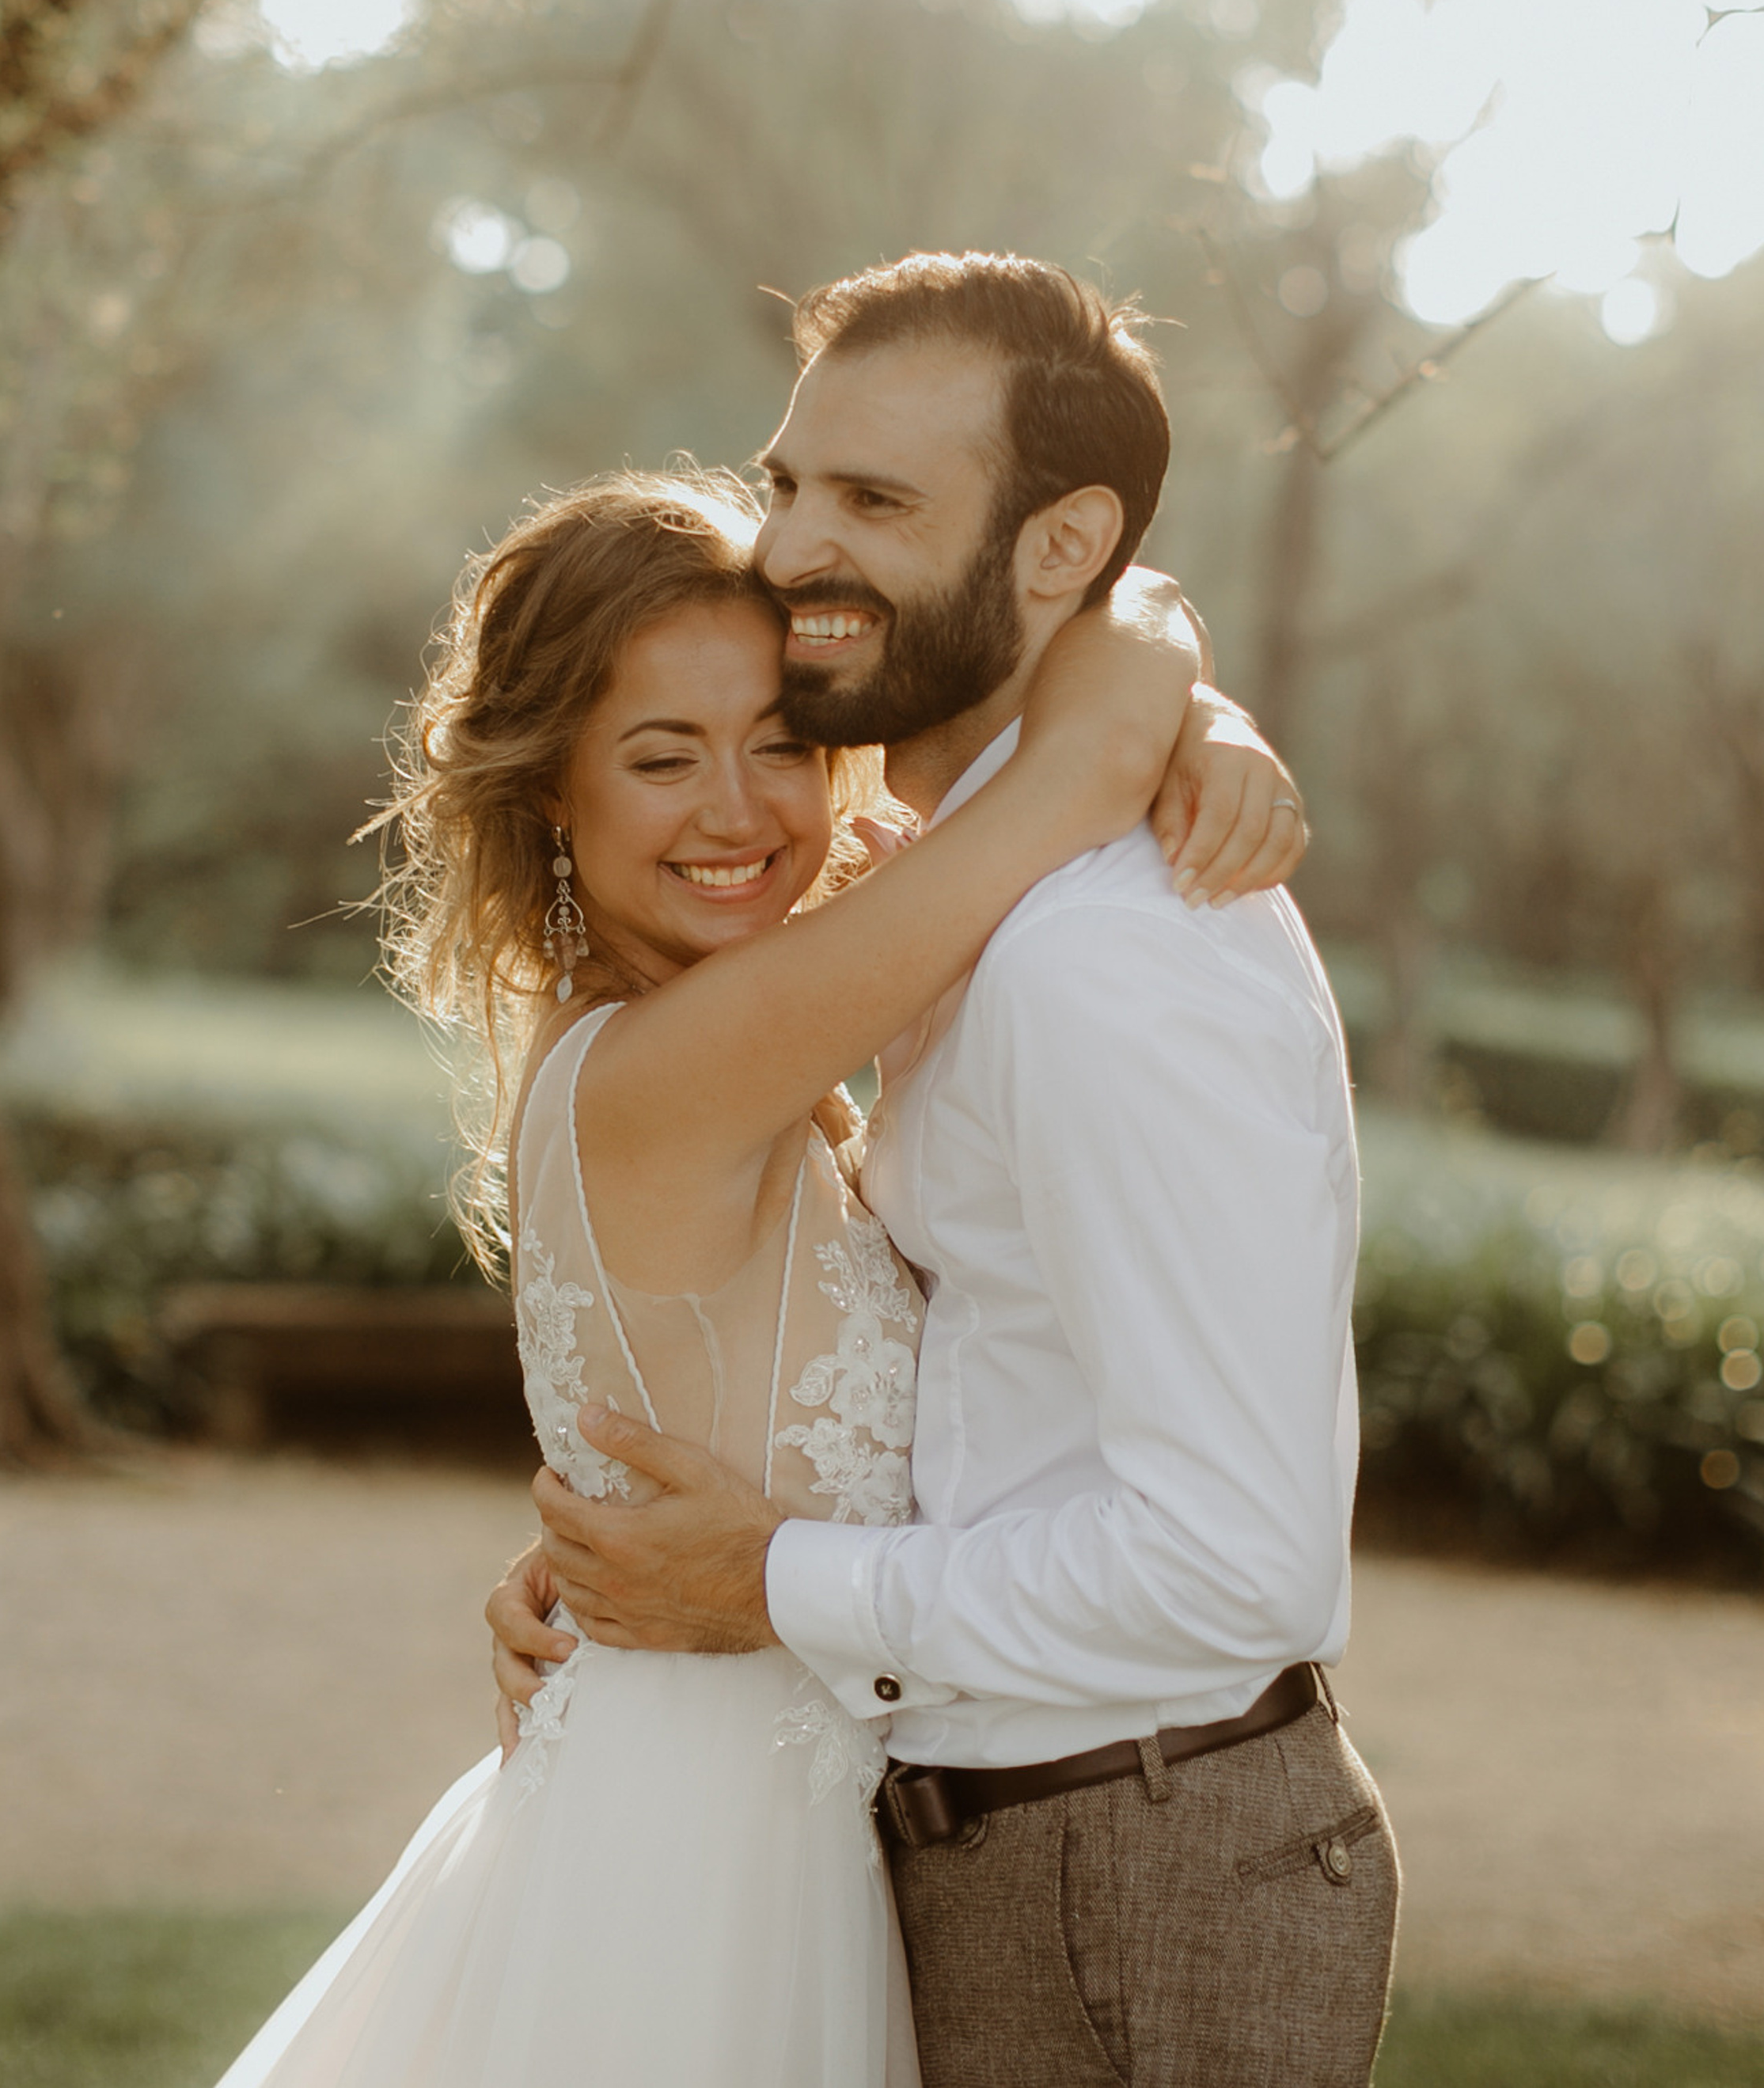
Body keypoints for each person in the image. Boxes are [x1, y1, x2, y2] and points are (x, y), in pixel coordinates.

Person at [211, 449, 1303, 2088]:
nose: (738, 810)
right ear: (552, 793)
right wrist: (1185, 704)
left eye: (782, 743)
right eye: (663, 757)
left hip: (761, 1820)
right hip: (689, 1873)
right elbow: (1073, 760)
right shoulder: (672, 1065)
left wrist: (1185, 704)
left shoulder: (706, 1043)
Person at [492, 252, 1400, 2088]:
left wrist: (771, 1579)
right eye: (788, 483)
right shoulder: (942, 908)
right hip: (953, 1842)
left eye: (875, 500)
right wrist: (1145, 684)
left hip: (1133, 1857)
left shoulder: (1092, 955)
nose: (793, 549)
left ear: (1058, 546)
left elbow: (1237, 1565)